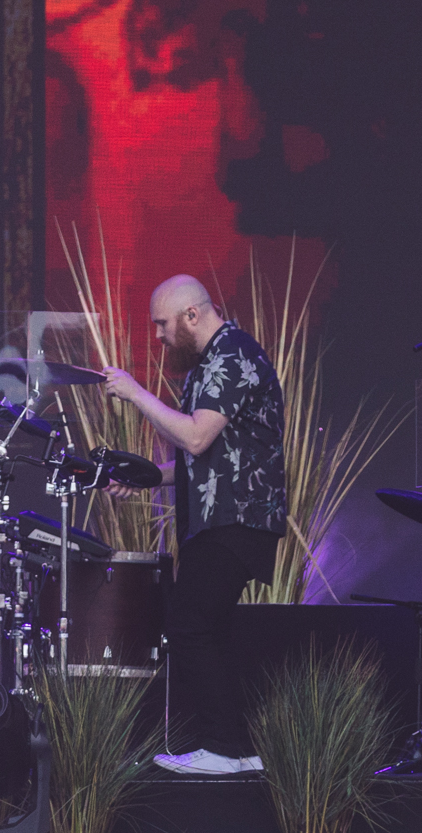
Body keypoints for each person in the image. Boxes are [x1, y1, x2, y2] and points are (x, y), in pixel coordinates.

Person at [104, 274, 287, 775]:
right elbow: (203, 460)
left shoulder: (232, 355)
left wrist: (137, 393)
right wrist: (146, 479)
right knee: (210, 628)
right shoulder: (207, 367)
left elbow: (196, 439)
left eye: (162, 324)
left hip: (236, 519)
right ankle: (241, 750)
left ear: (191, 315)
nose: (158, 336)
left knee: (187, 621)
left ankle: (225, 748)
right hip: (221, 517)